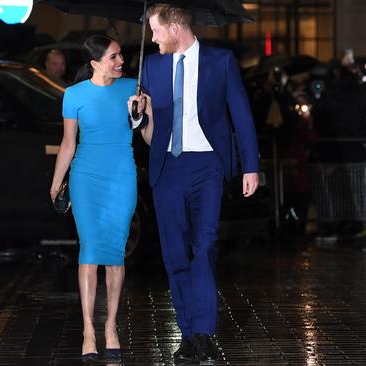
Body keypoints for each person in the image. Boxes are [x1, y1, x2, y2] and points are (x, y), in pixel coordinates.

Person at [128, 4, 260, 363]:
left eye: (156, 31)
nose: (152, 38)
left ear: (174, 28)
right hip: (167, 166)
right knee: (174, 255)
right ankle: (187, 334)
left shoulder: (221, 61)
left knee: (205, 247)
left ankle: (204, 333)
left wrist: (251, 167)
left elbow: (242, 116)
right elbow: (152, 136)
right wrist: (140, 118)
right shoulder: (152, 66)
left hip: (207, 166)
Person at [49, 35, 137, 363]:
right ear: (95, 63)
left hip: (122, 176)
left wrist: (143, 116)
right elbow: (68, 143)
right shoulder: (73, 95)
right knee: (90, 250)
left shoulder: (133, 88)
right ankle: (88, 330)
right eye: (114, 57)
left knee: (115, 252)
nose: (120, 61)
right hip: (86, 177)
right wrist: (57, 183)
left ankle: (110, 326)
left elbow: (149, 137)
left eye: (121, 56)